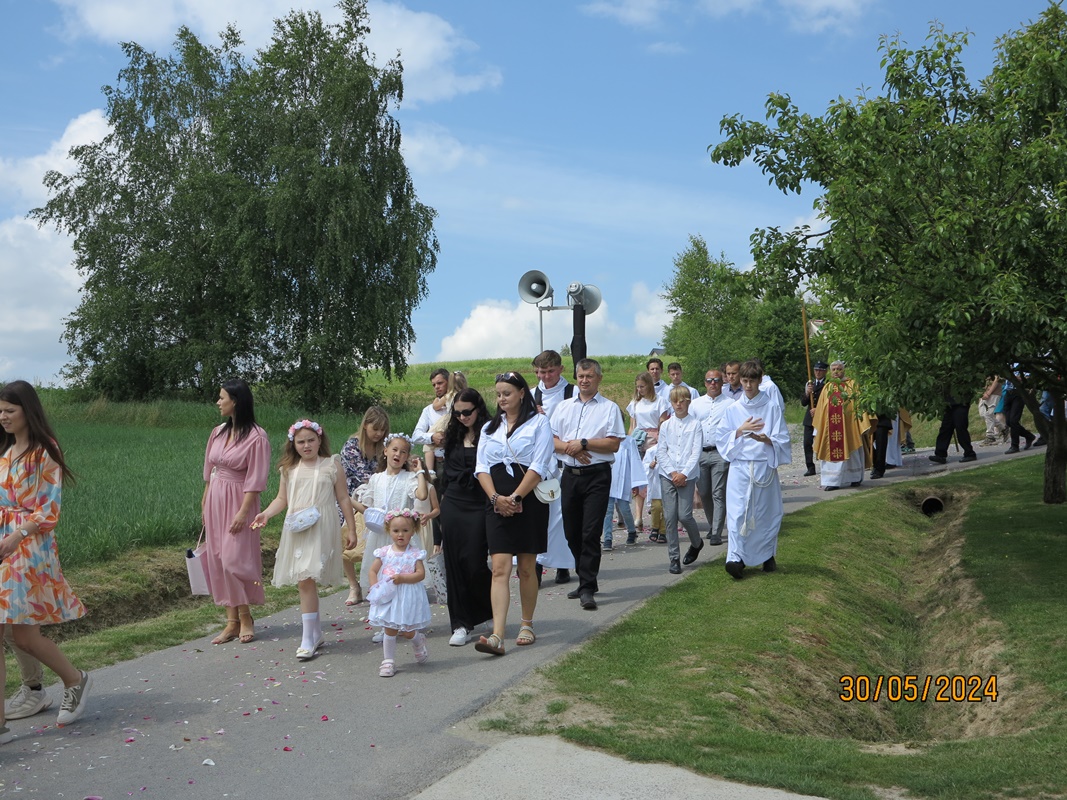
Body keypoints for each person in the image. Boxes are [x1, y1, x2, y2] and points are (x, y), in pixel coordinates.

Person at [0, 381, 93, 739]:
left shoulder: (44, 451)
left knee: (25, 637)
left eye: (10, 410)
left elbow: (49, 509)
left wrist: (17, 535)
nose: (3, 417)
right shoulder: (5, 449)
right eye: (0, 411)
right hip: (3, 543)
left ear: (28, 411)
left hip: (29, 546)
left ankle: (75, 679)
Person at [253, 420, 357, 661]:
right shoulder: (289, 469)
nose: (306, 445)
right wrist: (266, 514)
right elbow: (282, 499)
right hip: (298, 528)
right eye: (301, 442)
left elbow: (343, 498)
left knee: (307, 577)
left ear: (320, 440)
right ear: (293, 444)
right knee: (304, 579)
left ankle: (310, 636)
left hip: (322, 527)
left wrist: (351, 529)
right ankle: (311, 635)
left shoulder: (332, 465)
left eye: (311, 440)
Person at [474, 372, 554, 655]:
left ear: (521, 393)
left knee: (526, 567)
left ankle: (527, 624)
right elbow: (481, 467)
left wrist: (517, 497)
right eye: (498, 394)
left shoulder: (539, 423)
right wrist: (497, 499)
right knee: (499, 568)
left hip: (528, 501)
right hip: (496, 502)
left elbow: (540, 464)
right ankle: (497, 635)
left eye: (507, 393)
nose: (501, 399)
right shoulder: (488, 428)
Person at [201, 379, 271, 645]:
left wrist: (243, 512)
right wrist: (205, 500)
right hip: (216, 498)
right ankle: (231, 621)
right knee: (218, 558)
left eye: (222, 398)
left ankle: (245, 616)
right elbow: (210, 470)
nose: (218, 402)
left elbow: (256, 478)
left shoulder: (256, 437)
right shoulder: (218, 432)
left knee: (234, 559)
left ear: (236, 401)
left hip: (240, 500)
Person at [552, 359, 625, 611]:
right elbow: (551, 439)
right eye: (581, 376)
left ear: (599, 378)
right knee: (571, 532)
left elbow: (613, 443)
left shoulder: (609, 408)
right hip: (570, 475)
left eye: (590, 376)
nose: (584, 380)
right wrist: (571, 448)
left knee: (590, 532)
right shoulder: (563, 407)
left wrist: (584, 443)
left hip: (597, 476)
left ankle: (587, 586)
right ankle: (585, 577)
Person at [716, 361, 791, 579]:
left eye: (752, 381)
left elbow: (782, 438)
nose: (748, 386)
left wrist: (767, 440)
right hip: (740, 467)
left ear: (760, 381)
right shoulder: (733, 409)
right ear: (740, 380)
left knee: (764, 514)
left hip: (763, 466)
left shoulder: (771, 407)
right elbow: (722, 438)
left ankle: (767, 556)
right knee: (738, 513)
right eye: (745, 381)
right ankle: (735, 558)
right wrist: (740, 431)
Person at [352, 434, 430, 643]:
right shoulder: (376, 479)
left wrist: (419, 472)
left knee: (402, 581)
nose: (398, 454)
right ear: (385, 451)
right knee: (382, 579)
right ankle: (385, 624)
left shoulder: (409, 478)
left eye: (403, 452)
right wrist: (347, 499)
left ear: (407, 457)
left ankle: (406, 621)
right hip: (381, 537)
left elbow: (422, 495)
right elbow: (367, 508)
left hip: (402, 538)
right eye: (394, 449)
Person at [438, 389, 494, 646]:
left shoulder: (491, 433)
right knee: (454, 564)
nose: (462, 417)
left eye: (467, 412)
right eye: (457, 413)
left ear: (478, 409)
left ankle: (487, 608)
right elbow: (446, 474)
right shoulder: (453, 435)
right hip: (454, 503)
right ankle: (461, 623)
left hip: (480, 503)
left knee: (474, 562)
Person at [367, 509, 432, 677]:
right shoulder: (384, 552)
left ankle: (418, 640)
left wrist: (403, 578)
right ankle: (388, 661)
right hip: (388, 595)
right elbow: (372, 571)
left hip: (407, 597)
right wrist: (375, 588)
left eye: (405, 530)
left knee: (407, 630)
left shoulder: (414, 554)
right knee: (389, 628)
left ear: (413, 531)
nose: (400, 535)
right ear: (389, 531)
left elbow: (420, 574)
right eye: (396, 531)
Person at [531, 350, 576, 586]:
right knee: (540, 516)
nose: (546, 376)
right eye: (541, 372)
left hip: (565, 461)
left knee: (562, 516)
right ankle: (537, 564)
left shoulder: (573, 393)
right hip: (541, 465)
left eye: (550, 371)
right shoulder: (531, 395)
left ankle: (562, 564)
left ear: (560, 369)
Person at [339, 405, 390, 605]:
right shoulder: (351, 447)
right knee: (346, 542)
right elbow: (364, 476)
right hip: (350, 497)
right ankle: (354, 586)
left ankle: (379, 580)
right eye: (375, 429)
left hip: (376, 497)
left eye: (382, 430)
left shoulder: (384, 446)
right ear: (365, 425)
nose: (379, 434)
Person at [657, 387, 704, 574]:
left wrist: (683, 473)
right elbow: (661, 451)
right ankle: (674, 557)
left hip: (687, 474)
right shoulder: (666, 425)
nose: (678, 404)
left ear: (688, 402)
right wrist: (672, 472)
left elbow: (696, 452)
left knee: (684, 515)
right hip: (668, 474)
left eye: (682, 401)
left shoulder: (695, 424)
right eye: (675, 401)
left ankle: (697, 543)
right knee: (670, 517)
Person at [690, 368, 734, 545]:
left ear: (722, 383)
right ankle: (712, 525)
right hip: (700, 453)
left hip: (720, 453)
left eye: (716, 380)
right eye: (709, 380)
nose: (713, 383)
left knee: (718, 493)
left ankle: (716, 532)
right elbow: (690, 428)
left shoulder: (730, 404)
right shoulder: (696, 404)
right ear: (705, 383)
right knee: (704, 492)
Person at [812, 361, 870, 491]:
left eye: (839, 369)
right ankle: (832, 481)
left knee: (852, 450)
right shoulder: (827, 387)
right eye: (833, 369)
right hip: (830, 429)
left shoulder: (852, 385)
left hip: (849, 427)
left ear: (843, 370)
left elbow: (858, 405)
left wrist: (861, 423)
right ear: (830, 371)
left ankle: (854, 478)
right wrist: (817, 429)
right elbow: (821, 409)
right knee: (830, 453)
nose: (836, 372)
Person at [626, 372, 669, 531]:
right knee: (639, 478)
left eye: (642, 386)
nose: (639, 390)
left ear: (649, 385)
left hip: (654, 440)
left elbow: (663, 423)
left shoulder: (660, 401)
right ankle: (638, 516)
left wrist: (662, 443)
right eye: (637, 387)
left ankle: (658, 514)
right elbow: (632, 425)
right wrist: (629, 443)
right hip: (639, 440)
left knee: (654, 477)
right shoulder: (635, 403)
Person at [601, 434, 645, 550]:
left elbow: (635, 461)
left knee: (624, 509)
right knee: (607, 511)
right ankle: (608, 538)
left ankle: (631, 531)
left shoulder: (629, 441)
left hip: (623, 480)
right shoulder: (605, 439)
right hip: (607, 479)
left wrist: (635, 483)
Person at [423, 371, 468, 476]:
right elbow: (417, 436)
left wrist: (435, 401)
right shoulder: (466, 396)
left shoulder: (448, 396)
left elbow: (436, 406)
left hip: (448, 420)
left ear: (449, 383)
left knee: (428, 443)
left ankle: (430, 470)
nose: (436, 387)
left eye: (440, 383)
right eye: (434, 385)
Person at [928, 393, 977, 466]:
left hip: (961, 402)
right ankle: (940, 454)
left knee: (960, 427)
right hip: (948, 403)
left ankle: (969, 453)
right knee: (945, 428)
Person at [800, 361, 829, 476]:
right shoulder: (810, 384)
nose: (818, 372)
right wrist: (807, 393)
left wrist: (818, 409)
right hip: (810, 418)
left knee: (822, 442)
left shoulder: (828, 384)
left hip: (822, 418)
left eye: (820, 370)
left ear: (825, 372)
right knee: (807, 443)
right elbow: (803, 403)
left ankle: (825, 465)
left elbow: (828, 401)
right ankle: (810, 467)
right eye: (816, 370)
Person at [977, 375, 1007, 447]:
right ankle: (1003, 428)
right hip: (984, 392)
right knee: (983, 414)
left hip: (994, 393)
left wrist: (988, 393)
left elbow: (997, 378)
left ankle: (990, 436)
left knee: (988, 414)